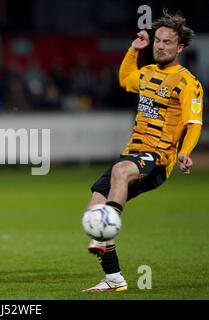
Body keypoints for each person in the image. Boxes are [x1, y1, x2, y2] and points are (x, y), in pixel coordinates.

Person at [83, 10, 204, 292]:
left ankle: (105, 231)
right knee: (93, 210)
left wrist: (185, 151)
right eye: (157, 41)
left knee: (120, 172)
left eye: (167, 42)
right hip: (134, 153)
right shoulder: (148, 73)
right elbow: (125, 80)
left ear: (180, 48)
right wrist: (133, 50)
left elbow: (194, 123)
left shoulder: (188, 83)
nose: (160, 46)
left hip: (159, 158)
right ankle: (114, 278)